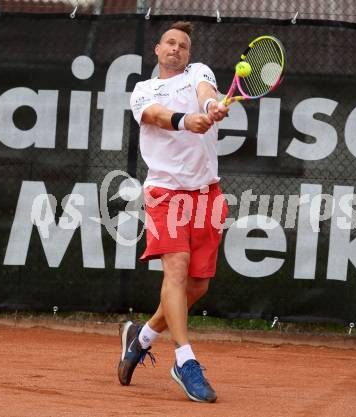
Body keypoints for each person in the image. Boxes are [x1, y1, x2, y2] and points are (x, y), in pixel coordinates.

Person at [119, 21, 229, 403]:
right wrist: (186, 122)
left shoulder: (199, 73)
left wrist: (212, 107)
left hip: (207, 196)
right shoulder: (143, 90)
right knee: (177, 270)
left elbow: (205, 93)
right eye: (170, 42)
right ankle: (185, 361)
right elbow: (156, 116)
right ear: (157, 49)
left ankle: (143, 335)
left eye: (183, 45)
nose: (176, 48)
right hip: (166, 194)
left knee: (197, 286)